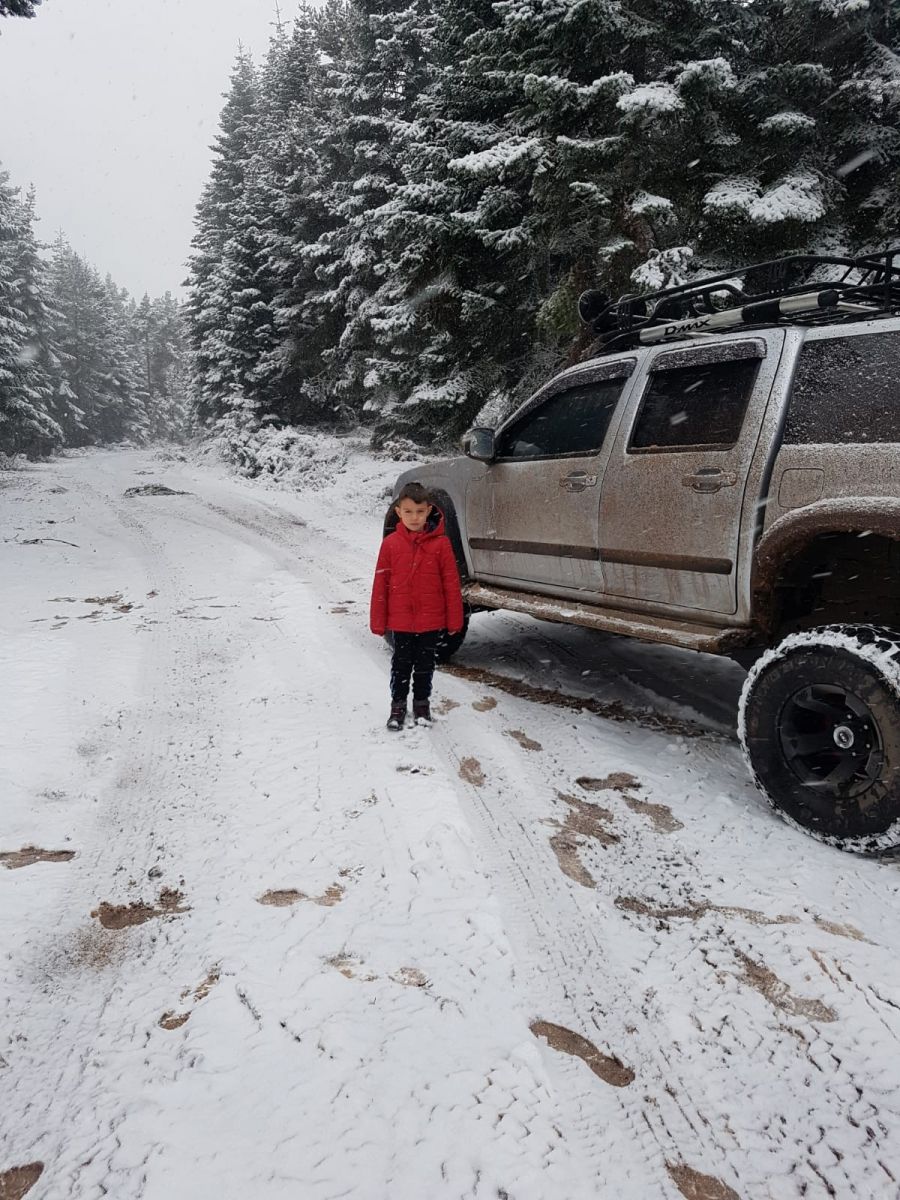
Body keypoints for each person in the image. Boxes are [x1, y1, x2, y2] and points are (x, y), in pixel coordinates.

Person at [369, 481, 464, 730]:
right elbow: (381, 584)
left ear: (429, 511)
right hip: (400, 622)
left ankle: (421, 706)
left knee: (424, 667)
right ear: (398, 512)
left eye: (420, 512)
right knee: (401, 666)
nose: (414, 517)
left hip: (430, 621)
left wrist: (455, 620)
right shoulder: (390, 544)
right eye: (408, 511)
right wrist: (378, 621)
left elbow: (451, 585)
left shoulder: (441, 544)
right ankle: (397, 707)